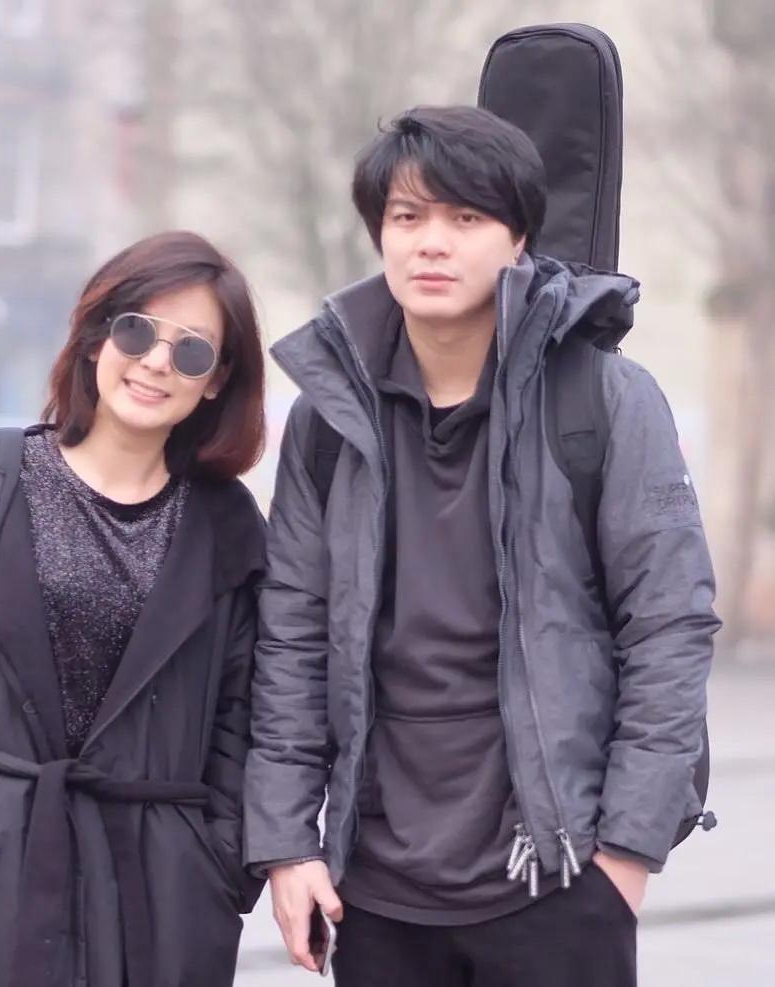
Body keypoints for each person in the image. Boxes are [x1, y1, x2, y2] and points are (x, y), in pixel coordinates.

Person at [244, 106, 720, 987]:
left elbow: (668, 626)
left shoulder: (603, 400)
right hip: (376, 888)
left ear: (518, 237)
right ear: (379, 233)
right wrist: (285, 844)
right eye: (407, 216)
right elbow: (293, 638)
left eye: (465, 217)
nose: (432, 242)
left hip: (556, 878)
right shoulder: (327, 421)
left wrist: (625, 856)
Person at [0, 230, 267, 987]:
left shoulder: (227, 527)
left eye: (192, 349)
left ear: (217, 381)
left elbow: (246, 716)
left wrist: (214, 863)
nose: (157, 361)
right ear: (96, 336)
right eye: (138, 330)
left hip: (157, 907)